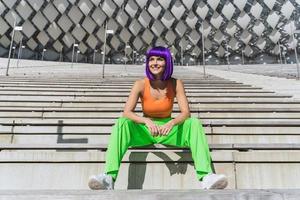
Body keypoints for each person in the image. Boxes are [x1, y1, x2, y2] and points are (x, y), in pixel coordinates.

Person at [88, 46, 228, 190]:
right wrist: (146, 121)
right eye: (151, 59)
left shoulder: (175, 83)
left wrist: (172, 123)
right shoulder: (140, 84)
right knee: (121, 123)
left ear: (167, 62)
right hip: (146, 131)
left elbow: (186, 113)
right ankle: (109, 177)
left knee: (194, 123)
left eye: (160, 59)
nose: (154, 63)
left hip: (168, 131)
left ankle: (206, 176)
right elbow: (127, 112)